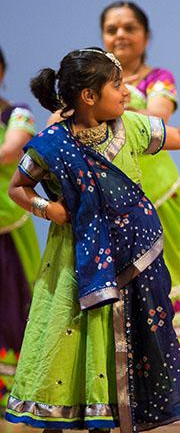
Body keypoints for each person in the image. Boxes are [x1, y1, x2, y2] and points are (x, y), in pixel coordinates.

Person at [5, 48, 180, 433]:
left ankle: (115, 417)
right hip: (75, 262)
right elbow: (18, 188)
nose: (127, 92)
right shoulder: (52, 143)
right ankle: (71, 415)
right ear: (89, 96)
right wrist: (49, 210)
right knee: (72, 337)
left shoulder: (132, 126)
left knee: (130, 338)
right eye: (117, 85)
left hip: (131, 259)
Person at [100, 0, 180, 396]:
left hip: (159, 197)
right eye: (112, 28)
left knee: (165, 285)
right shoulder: (90, 86)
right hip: (111, 202)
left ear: (146, 37)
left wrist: (118, 94)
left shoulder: (158, 79)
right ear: (102, 37)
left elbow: (160, 120)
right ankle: (119, 384)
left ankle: (167, 383)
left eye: (130, 28)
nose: (120, 35)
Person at [0, 47, 40, 414]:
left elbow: (10, 152)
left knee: (11, 314)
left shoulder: (17, 114)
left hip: (6, 232)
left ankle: (11, 398)